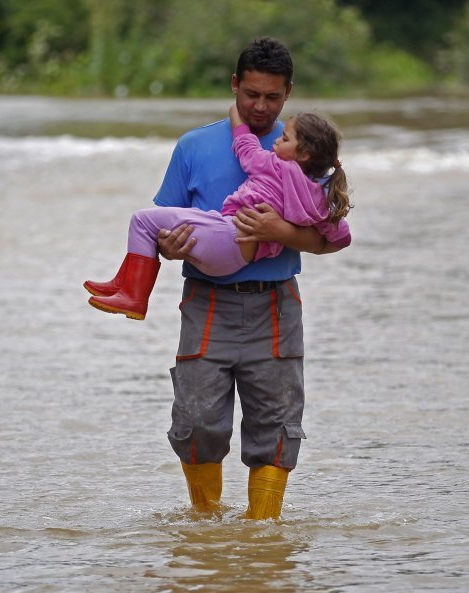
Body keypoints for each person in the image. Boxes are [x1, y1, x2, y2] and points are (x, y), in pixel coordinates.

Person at [123, 37, 350, 520]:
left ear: (288, 92)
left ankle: (261, 537)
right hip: (206, 300)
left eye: (272, 97)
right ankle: (208, 530)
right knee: (197, 421)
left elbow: (330, 238)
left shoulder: (307, 148)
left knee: (277, 424)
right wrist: (169, 247)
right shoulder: (193, 146)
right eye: (250, 94)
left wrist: (279, 230)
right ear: (234, 85)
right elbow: (163, 228)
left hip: (276, 304)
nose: (260, 106)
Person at [83, 103, 351, 320]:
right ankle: (125, 282)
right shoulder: (318, 195)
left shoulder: (275, 165)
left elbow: (245, 146)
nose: (275, 143)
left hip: (226, 238)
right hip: (238, 254)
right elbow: (341, 237)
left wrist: (236, 115)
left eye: (284, 139)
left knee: (142, 221)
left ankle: (134, 295)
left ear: (303, 154)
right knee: (180, 221)